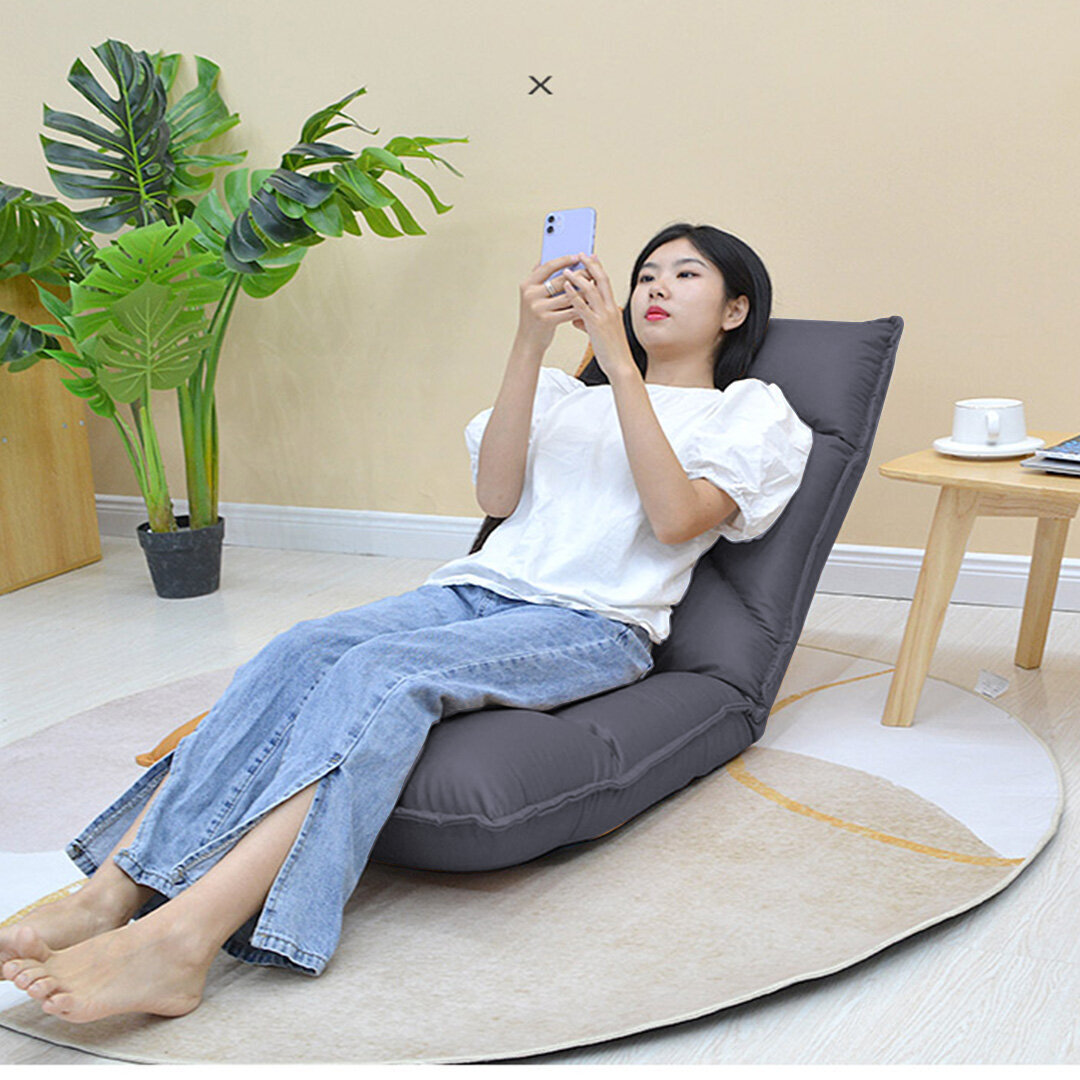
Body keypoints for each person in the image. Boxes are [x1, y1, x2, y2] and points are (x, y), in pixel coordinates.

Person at [0, 222, 813, 1023]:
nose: (655, 288)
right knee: (301, 647)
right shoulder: (567, 396)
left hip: (591, 621)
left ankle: (184, 939)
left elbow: (676, 520)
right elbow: (496, 499)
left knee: (377, 677)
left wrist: (620, 364)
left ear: (735, 310)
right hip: (472, 591)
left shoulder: (749, 413)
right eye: (645, 275)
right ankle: (110, 895)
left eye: (685, 275)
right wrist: (530, 341)